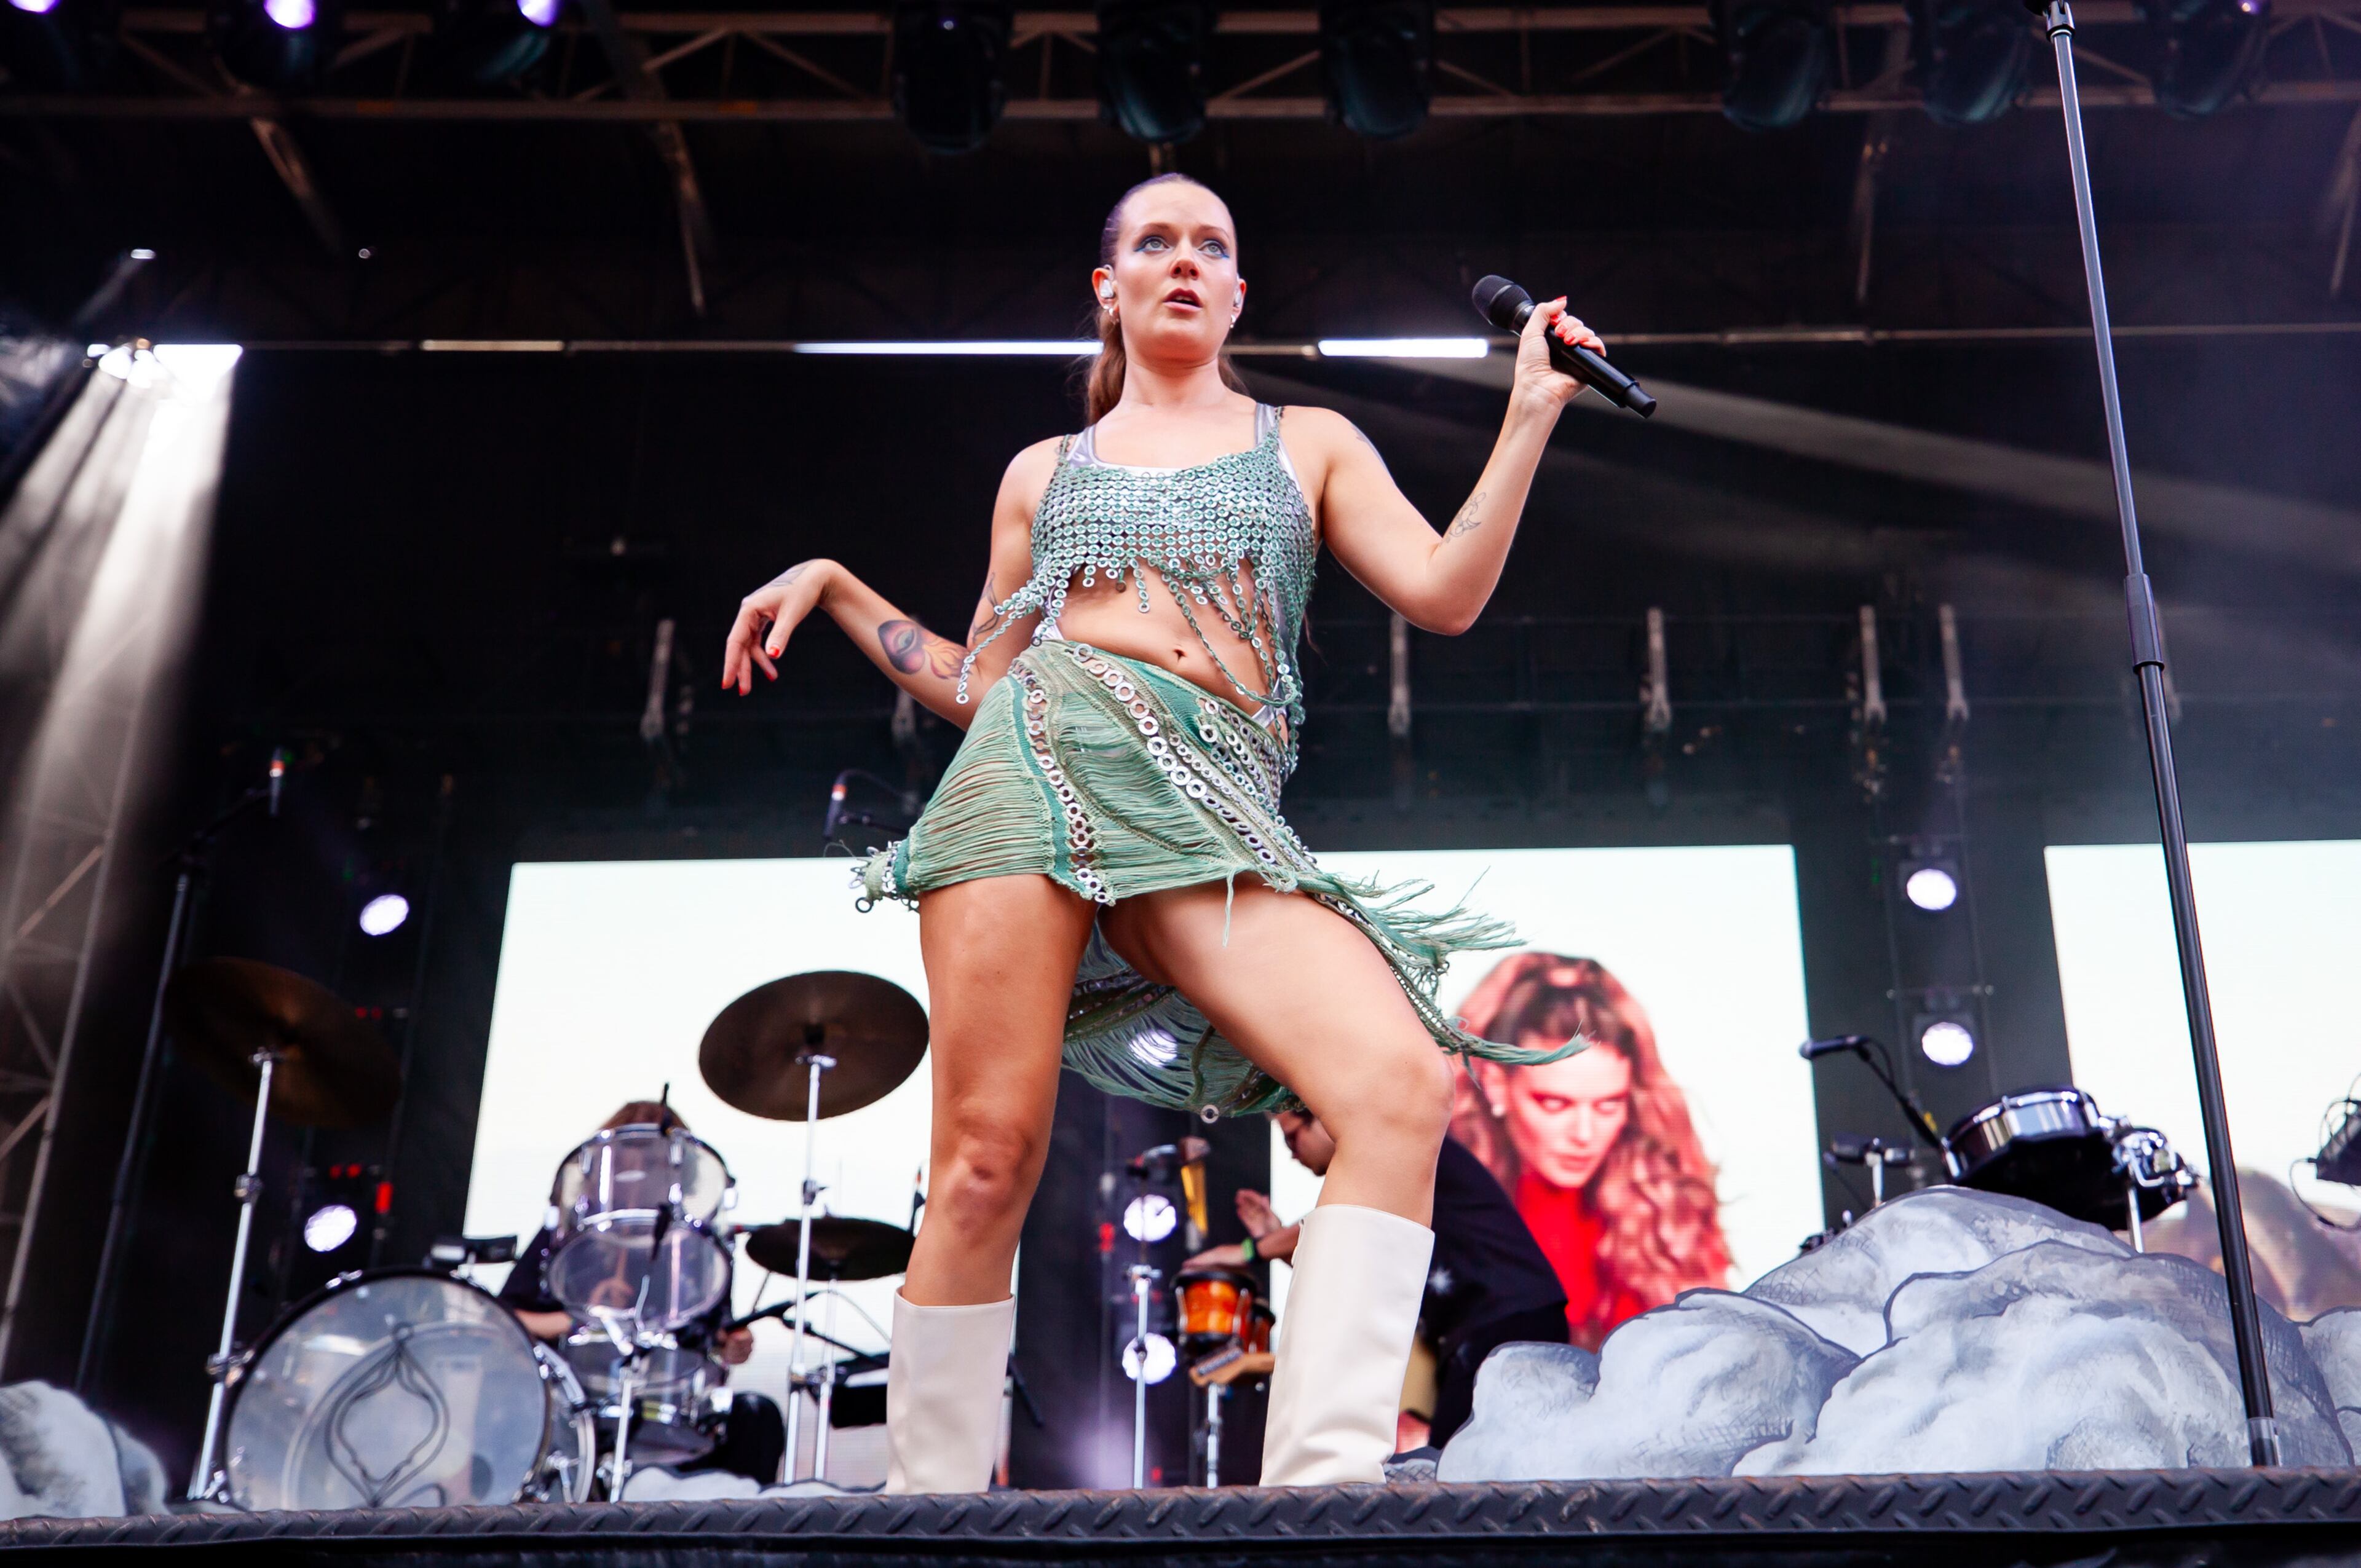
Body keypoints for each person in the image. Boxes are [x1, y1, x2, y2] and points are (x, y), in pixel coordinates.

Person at [721, 173, 1604, 1492]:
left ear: (1239, 290)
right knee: (982, 1162)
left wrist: (1529, 411)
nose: (1184, 261)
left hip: (1207, 805)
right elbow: (980, 681)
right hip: (1030, 771)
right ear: (1110, 285)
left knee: (1397, 1086)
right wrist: (840, 586)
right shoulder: (1046, 472)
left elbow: (1444, 592)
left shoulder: (1308, 441)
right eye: (1155, 241)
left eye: (1213, 246)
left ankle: (1320, 1492)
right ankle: (925, 1513)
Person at [1186, 1109, 1567, 1451]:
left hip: (1508, 1324)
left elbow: (1332, 1224)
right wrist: (1276, 1240)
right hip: (1483, 1331)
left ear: (1324, 1119)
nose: (1291, 1153)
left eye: (1292, 1137)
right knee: (1462, 1468)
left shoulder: (1392, 1150)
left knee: (1465, 1473)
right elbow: (1350, 1277)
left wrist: (1251, 1251)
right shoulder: (1388, 1175)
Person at [1449, 954, 1732, 1350]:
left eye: (1608, 1104)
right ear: (1496, 1084)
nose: (1584, 1135)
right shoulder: (1441, 1194)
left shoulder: (1661, 1203)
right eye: (1554, 1104)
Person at [499, 1101, 785, 1485]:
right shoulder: (571, 1239)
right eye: (628, 1162)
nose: (637, 1174)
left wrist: (731, 1344)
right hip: (575, 1402)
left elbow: (713, 1340)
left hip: (665, 1406)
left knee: (758, 1418)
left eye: (652, 1164)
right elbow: (503, 1317)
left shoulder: (696, 1250)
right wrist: (583, 1316)